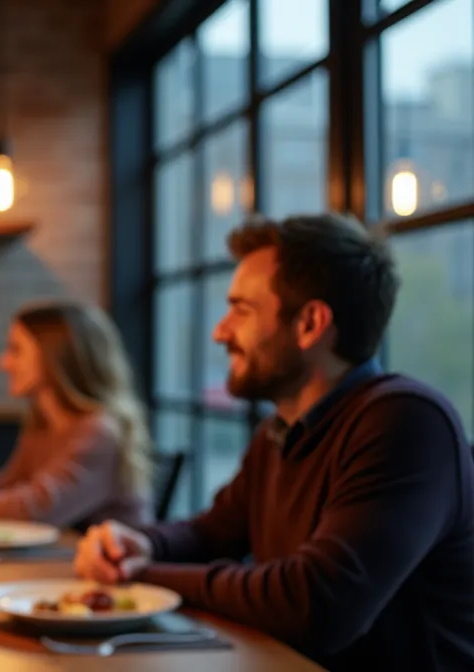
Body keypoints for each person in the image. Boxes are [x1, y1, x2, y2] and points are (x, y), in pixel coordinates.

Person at [73, 213, 474, 670]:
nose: (220, 331)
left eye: (241, 309)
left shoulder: (404, 421)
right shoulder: (279, 430)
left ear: (310, 323)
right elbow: (211, 533)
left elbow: (315, 606)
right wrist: (140, 546)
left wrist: (145, 575)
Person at [0, 301, 154, 529]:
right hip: (61, 558)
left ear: (54, 353)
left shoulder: (99, 431)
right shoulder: (43, 422)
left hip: (110, 562)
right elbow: (4, 486)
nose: (3, 362)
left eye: (16, 350)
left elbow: (32, 510)